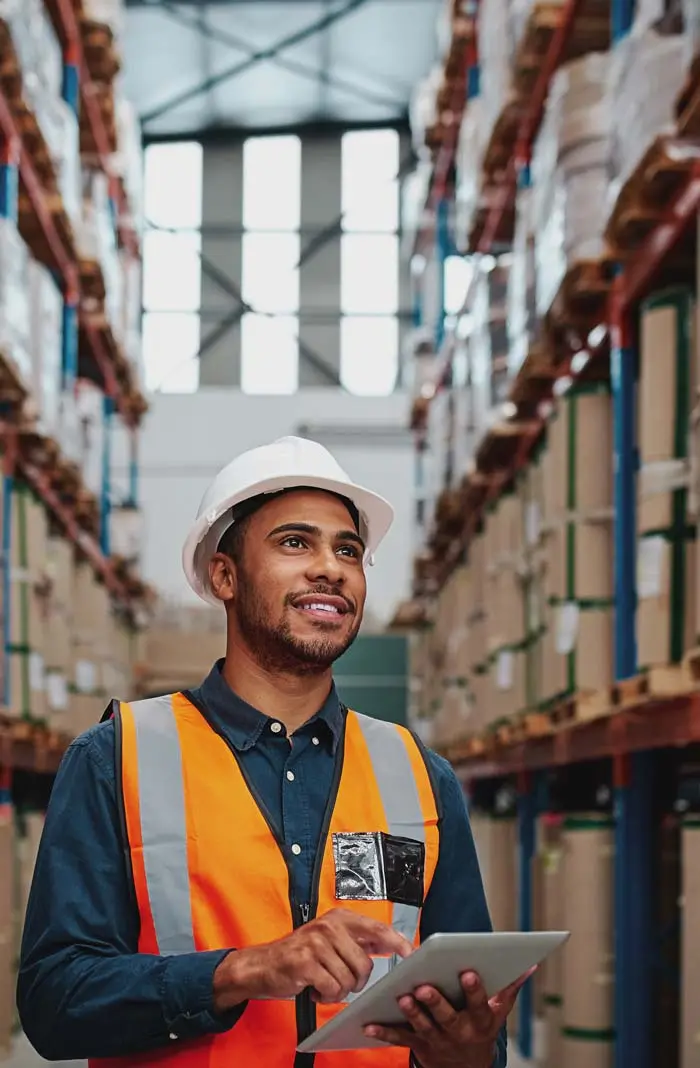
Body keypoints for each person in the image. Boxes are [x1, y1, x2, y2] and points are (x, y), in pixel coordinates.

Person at [18, 436, 528, 1068]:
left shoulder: (420, 776)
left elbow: (473, 1022)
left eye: (349, 550)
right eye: (295, 543)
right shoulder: (116, 758)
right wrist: (243, 971)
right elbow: (54, 1002)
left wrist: (470, 1051)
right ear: (224, 576)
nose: (331, 567)